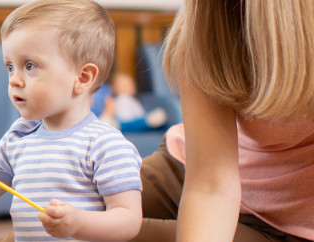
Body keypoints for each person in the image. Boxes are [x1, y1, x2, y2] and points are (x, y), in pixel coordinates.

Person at [0, 0, 143, 241]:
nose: (14, 79)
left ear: (83, 77)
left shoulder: (106, 144)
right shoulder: (18, 137)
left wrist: (79, 223)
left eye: (30, 65)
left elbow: (129, 219)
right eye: (10, 67)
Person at [133, 0, 314, 241]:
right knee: (77, 211)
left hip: (286, 222)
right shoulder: (205, 24)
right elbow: (211, 185)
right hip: (190, 168)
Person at [98, 72, 167, 132]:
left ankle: (145, 123)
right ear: (114, 89)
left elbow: (140, 113)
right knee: (112, 122)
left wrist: (146, 117)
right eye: (123, 85)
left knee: (157, 115)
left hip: (135, 120)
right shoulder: (115, 100)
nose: (126, 87)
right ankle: (144, 123)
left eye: (129, 84)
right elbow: (110, 112)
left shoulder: (135, 101)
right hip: (119, 122)